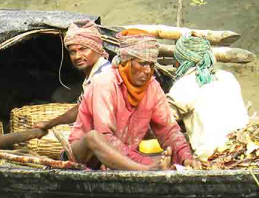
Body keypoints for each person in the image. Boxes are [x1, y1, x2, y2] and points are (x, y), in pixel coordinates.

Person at [67, 29, 198, 170]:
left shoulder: (152, 87)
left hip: (123, 159)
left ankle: (146, 167)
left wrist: (186, 158)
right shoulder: (105, 83)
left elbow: (168, 130)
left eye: (152, 65)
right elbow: (105, 137)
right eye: (142, 64)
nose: (148, 71)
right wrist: (147, 163)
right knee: (94, 137)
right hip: (84, 157)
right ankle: (146, 170)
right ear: (127, 63)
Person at [167, 33, 249, 159]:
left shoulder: (184, 85)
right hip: (243, 150)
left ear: (180, 61)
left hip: (211, 157)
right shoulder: (228, 78)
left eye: (176, 61)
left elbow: (163, 121)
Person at [35, 19, 113, 133]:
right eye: (72, 52)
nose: (77, 56)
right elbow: (82, 107)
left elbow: (83, 111)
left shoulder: (104, 76)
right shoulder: (95, 74)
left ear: (96, 48)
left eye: (83, 49)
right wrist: (49, 124)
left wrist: (49, 124)